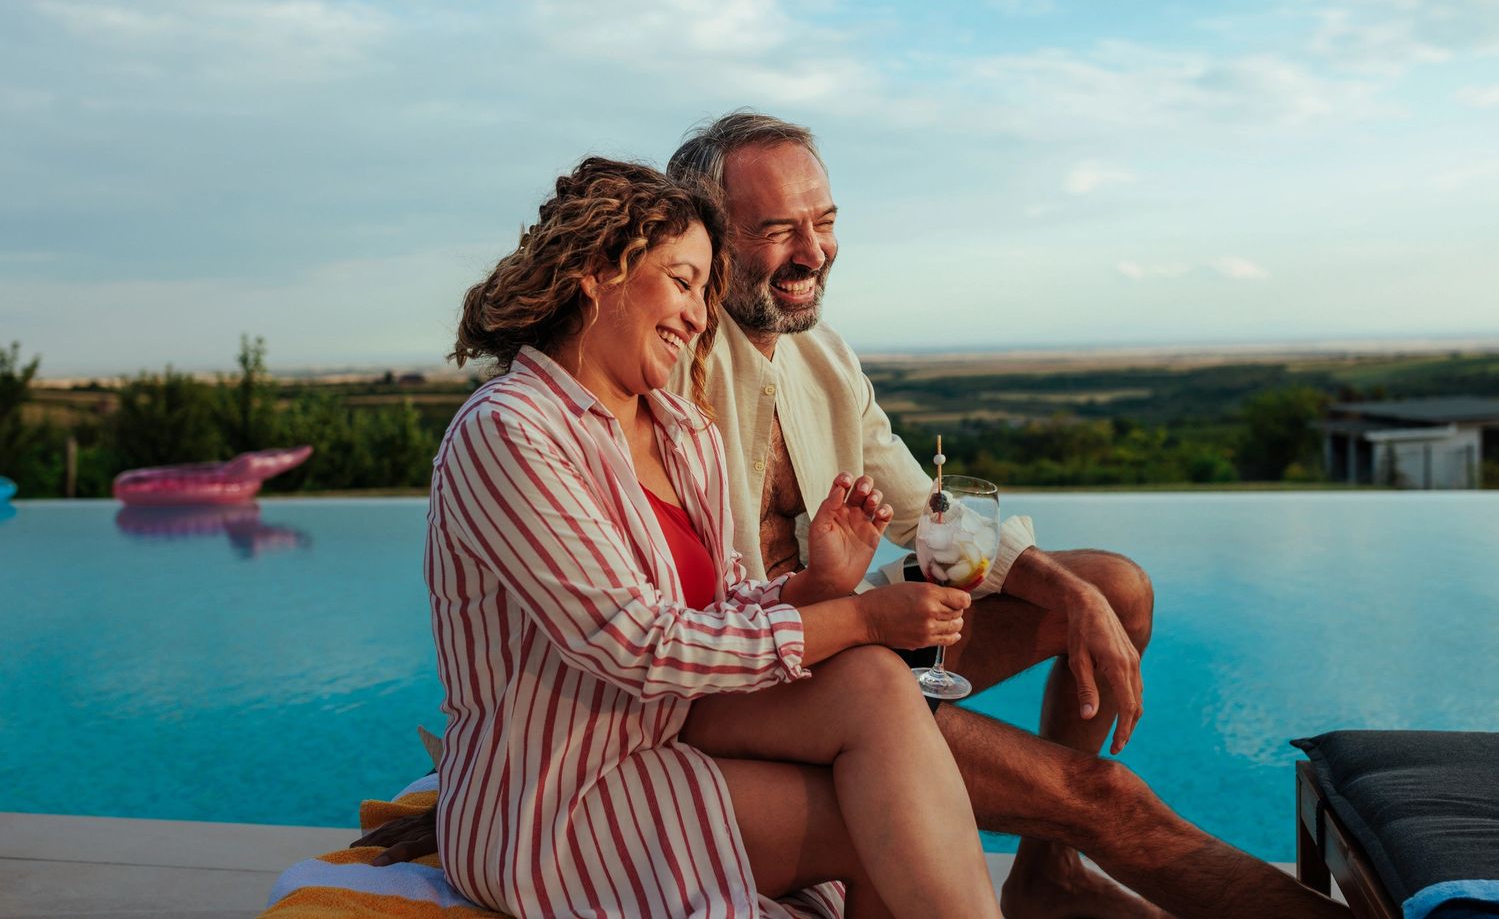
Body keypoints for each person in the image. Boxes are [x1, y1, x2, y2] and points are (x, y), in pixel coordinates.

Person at [365, 119, 1350, 919]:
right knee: (1097, 796)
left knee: (1109, 587)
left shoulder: (807, 359)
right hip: (726, 689)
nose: (811, 251)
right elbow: (625, 636)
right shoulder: (635, 383)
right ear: (692, 242)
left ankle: (1042, 878)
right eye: (774, 231)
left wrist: (1055, 590)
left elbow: (925, 512)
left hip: (800, 644)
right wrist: (859, 617)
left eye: (822, 220)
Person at [425, 156, 1000, 918]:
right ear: (598, 273)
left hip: (668, 734)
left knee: (874, 682)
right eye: (683, 281)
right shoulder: (509, 431)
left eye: (705, 290)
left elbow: (722, 599)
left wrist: (811, 587)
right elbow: (633, 642)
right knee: (884, 827)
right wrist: (856, 616)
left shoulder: (680, 429)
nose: (700, 316)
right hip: (555, 794)